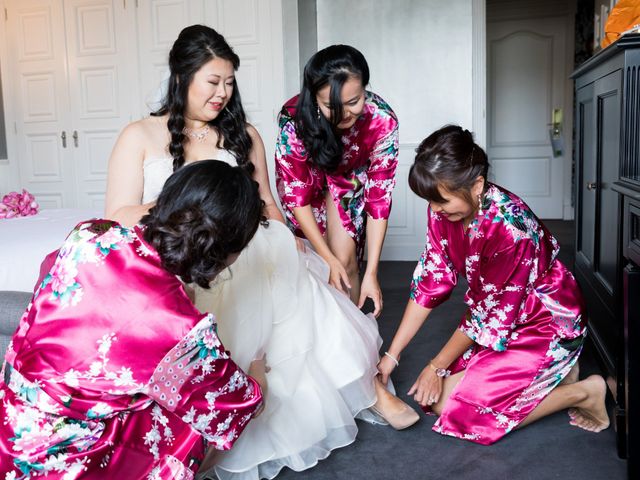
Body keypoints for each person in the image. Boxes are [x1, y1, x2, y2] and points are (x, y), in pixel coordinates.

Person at [104, 25, 418, 480]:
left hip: (245, 244)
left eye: (230, 82)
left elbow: (268, 201)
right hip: (185, 254)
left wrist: (284, 230)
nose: (222, 94)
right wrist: (192, 201)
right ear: (181, 77)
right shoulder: (139, 136)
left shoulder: (243, 134)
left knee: (286, 261)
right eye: (213, 82)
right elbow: (117, 215)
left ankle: (366, 389)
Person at [0, 160, 265, 479]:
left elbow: (49, 268)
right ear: (227, 251)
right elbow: (236, 406)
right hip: (56, 464)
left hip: (10, 423)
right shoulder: (179, 327)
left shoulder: (92, 233)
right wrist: (258, 377)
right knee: (191, 424)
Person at [377, 125, 610, 445]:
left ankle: (584, 392)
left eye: (440, 200)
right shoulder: (443, 211)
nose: (434, 210)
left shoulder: (508, 228)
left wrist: (436, 365)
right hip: (498, 316)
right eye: (429, 200)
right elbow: (431, 280)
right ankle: (554, 375)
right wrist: (393, 354)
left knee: (462, 414)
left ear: (476, 185)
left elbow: (485, 317)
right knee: (437, 401)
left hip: (546, 320)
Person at [275, 44, 398, 314]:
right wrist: (327, 258)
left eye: (354, 102)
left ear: (366, 89)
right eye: (332, 106)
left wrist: (373, 271)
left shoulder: (381, 121)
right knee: (317, 262)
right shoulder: (294, 123)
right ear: (314, 99)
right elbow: (297, 197)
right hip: (307, 181)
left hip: (348, 178)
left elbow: (379, 198)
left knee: (346, 261)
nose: (345, 115)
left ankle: (352, 339)